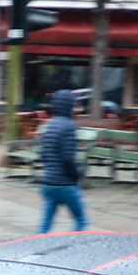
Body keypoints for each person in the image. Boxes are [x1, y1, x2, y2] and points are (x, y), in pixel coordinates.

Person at [37, 90, 87, 232]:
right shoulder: (69, 126)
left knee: (45, 225)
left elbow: (43, 154)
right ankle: (72, 249)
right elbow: (67, 158)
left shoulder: (48, 125)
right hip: (65, 184)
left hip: (48, 183)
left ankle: (36, 249)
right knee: (81, 220)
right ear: (68, 106)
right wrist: (76, 175)